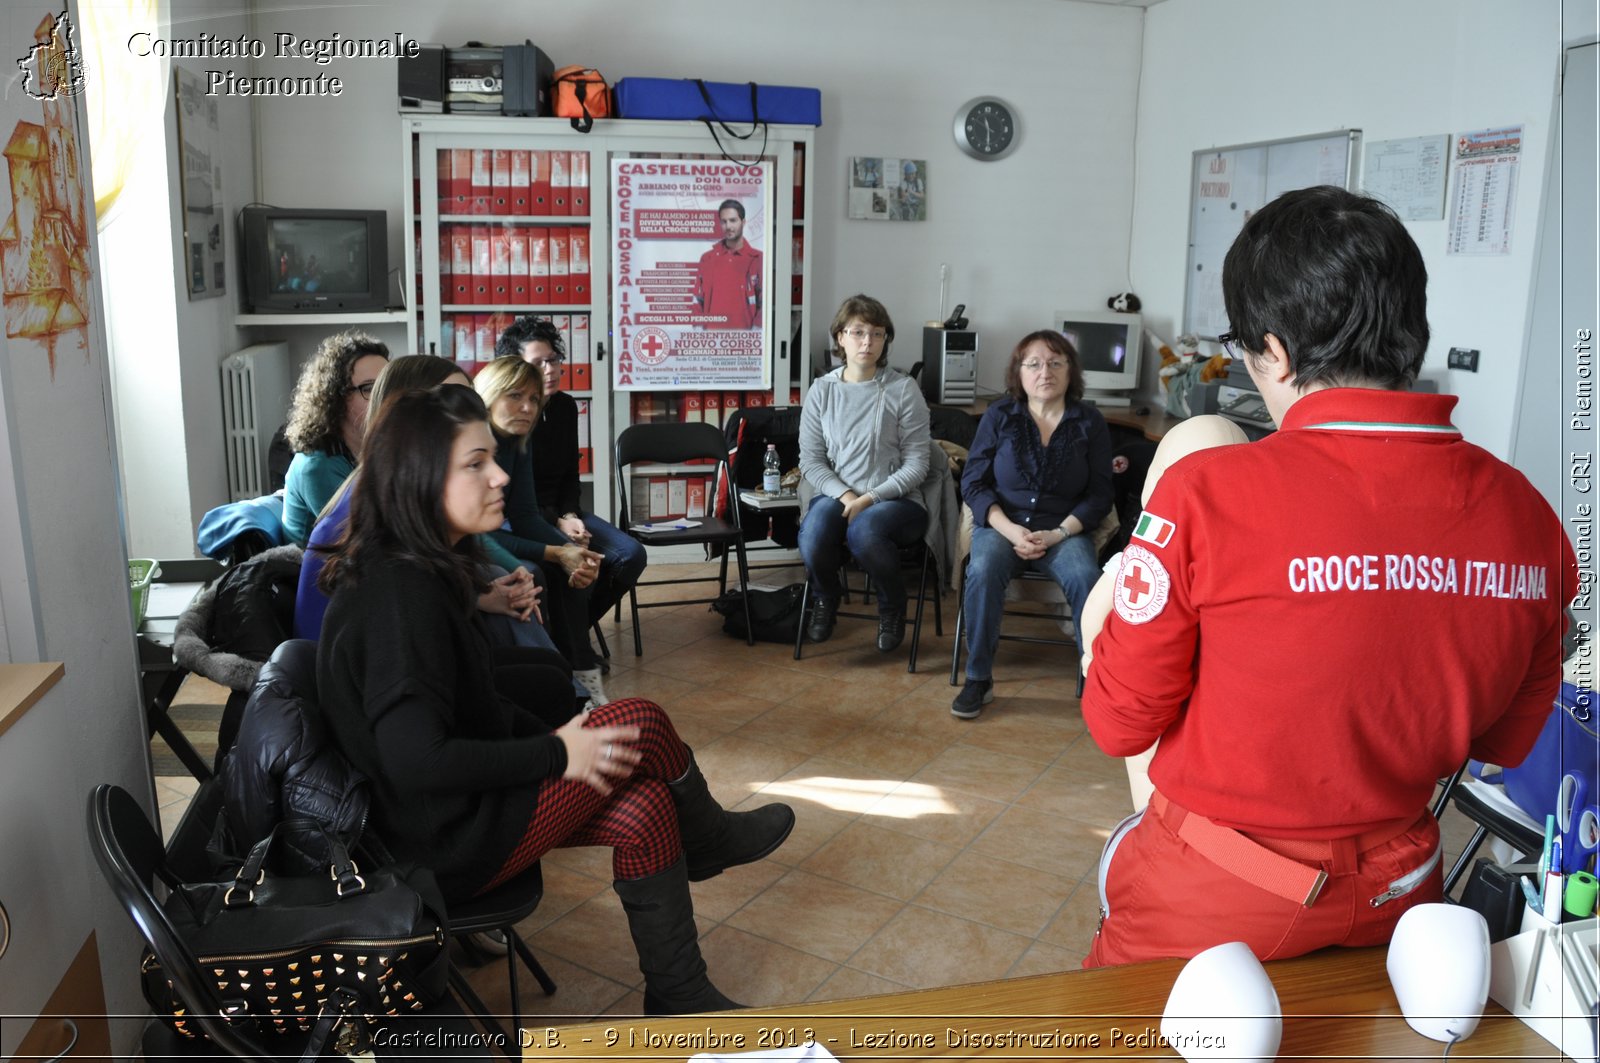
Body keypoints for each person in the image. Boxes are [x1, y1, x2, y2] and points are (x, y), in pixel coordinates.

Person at [1081, 185, 1577, 968]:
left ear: (1273, 353)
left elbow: (1118, 722)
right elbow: (1502, 739)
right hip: (1403, 890)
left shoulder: (1207, 492)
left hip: (1215, 892)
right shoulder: (1530, 518)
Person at [314, 386, 795, 1015]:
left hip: (462, 814)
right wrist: (555, 754)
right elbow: (417, 762)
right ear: (420, 477)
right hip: (438, 849)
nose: (500, 476)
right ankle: (708, 837)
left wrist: (568, 734)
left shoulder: (424, 569)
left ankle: (679, 994)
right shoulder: (400, 595)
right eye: (476, 463)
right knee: (640, 721)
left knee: (648, 803)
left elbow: (477, 701)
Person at [293, 356, 549, 659]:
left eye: (470, 401)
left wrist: (482, 595)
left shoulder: (403, 488)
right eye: (449, 402)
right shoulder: (376, 505)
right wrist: (481, 594)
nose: (466, 415)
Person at [952, 330, 1113, 719]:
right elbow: (973, 481)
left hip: (1063, 530)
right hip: (1002, 525)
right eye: (1035, 364)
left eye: (1057, 363)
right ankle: (978, 678)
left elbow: (1100, 493)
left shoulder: (1089, 422)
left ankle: (1099, 684)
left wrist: (1060, 532)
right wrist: (1008, 529)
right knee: (985, 567)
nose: (1046, 372)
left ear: (1071, 371)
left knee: (1084, 575)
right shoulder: (999, 416)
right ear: (1018, 372)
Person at [798, 295, 931, 653]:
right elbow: (810, 460)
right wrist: (847, 496)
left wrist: (871, 498)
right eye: (857, 332)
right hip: (838, 495)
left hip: (897, 501)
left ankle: (892, 606)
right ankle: (826, 598)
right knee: (813, 535)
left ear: (886, 339)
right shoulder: (821, 391)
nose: (867, 341)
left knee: (865, 530)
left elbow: (918, 463)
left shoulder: (903, 390)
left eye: (877, 333)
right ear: (840, 337)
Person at [473, 357, 610, 704]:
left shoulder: (520, 439)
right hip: (469, 545)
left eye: (534, 399)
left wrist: (571, 552)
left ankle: (578, 674)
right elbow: (478, 533)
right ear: (489, 395)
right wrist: (556, 552)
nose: (527, 407)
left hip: (495, 534)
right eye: (515, 395)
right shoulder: (471, 444)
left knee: (576, 563)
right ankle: (556, 684)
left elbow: (526, 516)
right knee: (534, 572)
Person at [496, 316, 648, 627]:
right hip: (527, 516)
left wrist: (569, 515)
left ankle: (576, 630)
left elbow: (569, 475)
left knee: (630, 555)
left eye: (553, 359)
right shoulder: (513, 415)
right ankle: (574, 646)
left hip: (563, 513)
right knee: (575, 566)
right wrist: (558, 523)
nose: (550, 370)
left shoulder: (565, 407)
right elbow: (517, 501)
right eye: (538, 363)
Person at [281, 330, 388, 545]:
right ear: (336, 397)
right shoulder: (317, 466)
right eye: (369, 388)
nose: (382, 398)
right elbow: (367, 545)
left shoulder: (375, 445)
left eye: (386, 386)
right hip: (322, 573)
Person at [694, 199, 761, 329]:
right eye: (724, 221)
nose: (728, 226)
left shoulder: (757, 259)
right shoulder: (707, 258)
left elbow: (765, 301)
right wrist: (697, 330)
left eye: (733, 220)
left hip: (746, 340)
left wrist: (757, 332)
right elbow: (697, 300)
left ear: (743, 222)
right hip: (711, 339)